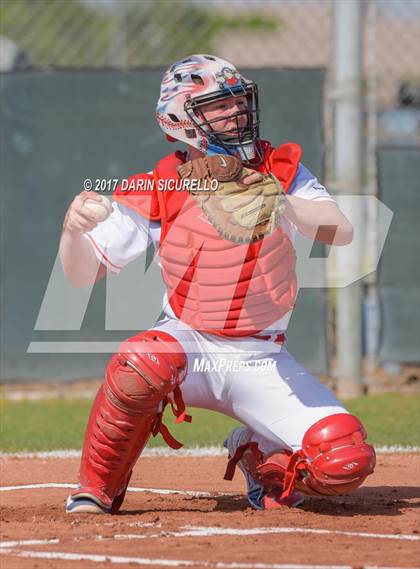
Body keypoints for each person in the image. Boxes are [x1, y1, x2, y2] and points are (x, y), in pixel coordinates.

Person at [61, 54, 375, 514]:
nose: (236, 112)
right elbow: (80, 274)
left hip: (260, 354)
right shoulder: (160, 183)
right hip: (188, 344)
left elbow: (339, 230)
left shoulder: (279, 168)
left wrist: (282, 204)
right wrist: (71, 231)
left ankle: (257, 453)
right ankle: (96, 488)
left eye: (238, 101)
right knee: (140, 362)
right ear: (178, 119)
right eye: (217, 106)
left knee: (343, 461)